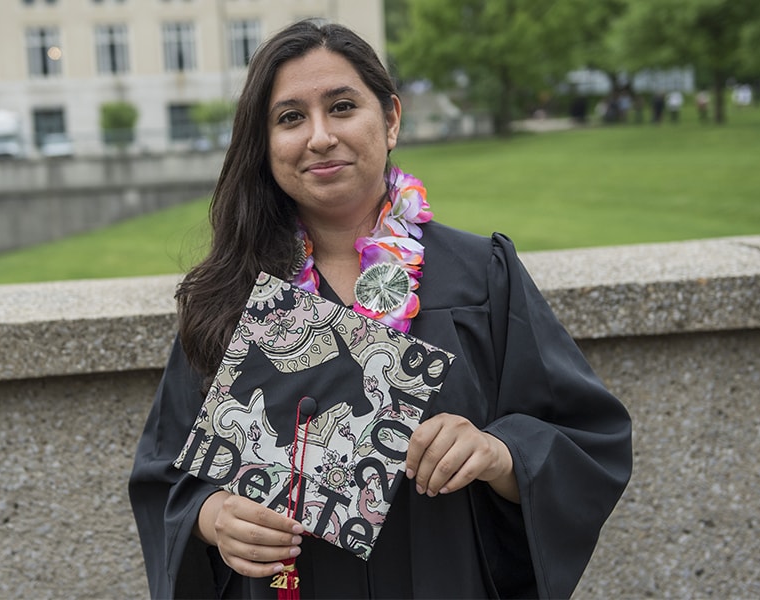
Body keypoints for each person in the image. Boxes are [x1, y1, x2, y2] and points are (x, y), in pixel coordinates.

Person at [129, 20, 632, 600]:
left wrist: (499, 453)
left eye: (342, 107)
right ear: (264, 145)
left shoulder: (481, 276)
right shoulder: (234, 293)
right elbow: (164, 475)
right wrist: (213, 518)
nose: (320, 137)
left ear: (390, 118)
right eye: (290, 117)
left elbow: (588, 438)